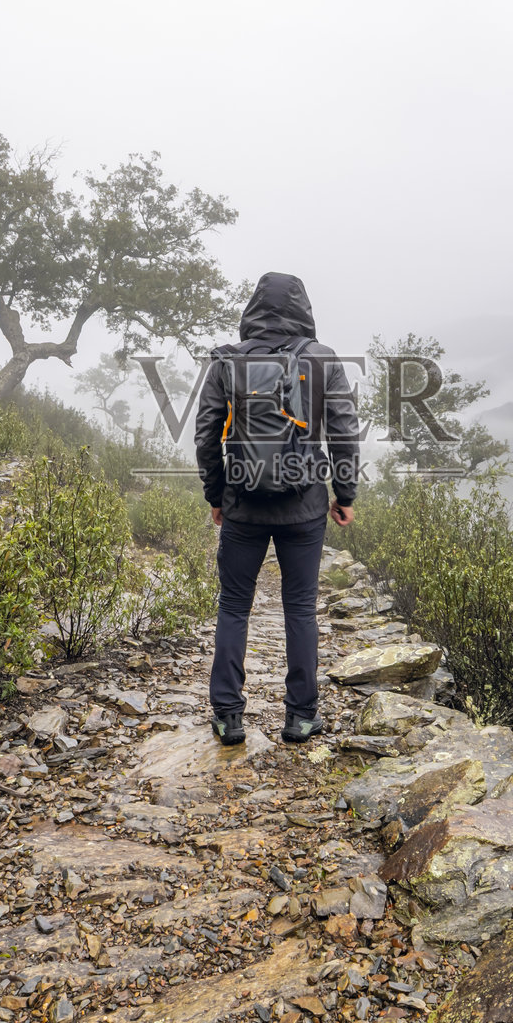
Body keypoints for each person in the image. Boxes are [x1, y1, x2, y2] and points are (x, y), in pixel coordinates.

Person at [194, 272, 360, 745]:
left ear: (252, 308)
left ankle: (228, 716)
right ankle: (301, 717)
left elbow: (206, 435)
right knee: (301, 608)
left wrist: (217, 495)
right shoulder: (323, 359)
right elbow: (344, 433)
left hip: (242, 504)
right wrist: (344, 495)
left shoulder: (227, 361)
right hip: (304, 507)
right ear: (303, 308)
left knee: (233, 606)